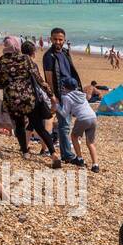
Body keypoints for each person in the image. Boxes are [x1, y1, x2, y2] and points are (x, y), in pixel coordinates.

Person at [0, 37, 61, 168]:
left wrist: (10, 82)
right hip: (29, 99)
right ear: (17, 46)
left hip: (12, 100)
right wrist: (51, 95)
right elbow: (39, 79)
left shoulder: (0, 62)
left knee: (19, 126)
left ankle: (25, 152)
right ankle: (53, 154)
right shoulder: (25, 59)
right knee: (39, 127)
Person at [42, 28, 85, 166]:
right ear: (50, 39)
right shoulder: (49, 56)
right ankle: (67, 155)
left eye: (60, 39)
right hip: (60, 94)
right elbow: (48, 78)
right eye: (55, 39)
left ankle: (66, 152)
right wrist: (53, 96)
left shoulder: (66, 53)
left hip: (72, 92)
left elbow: (71, 72)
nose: (57, 42)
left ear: (64, 40)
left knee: (69, 122)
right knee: (64, 125)